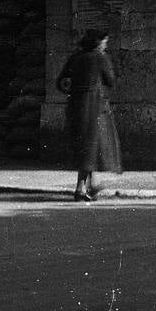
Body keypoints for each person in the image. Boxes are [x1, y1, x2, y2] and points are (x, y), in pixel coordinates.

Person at [56, 29, 123, 201]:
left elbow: (60, 82)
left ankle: (89, 185)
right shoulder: (100, 58)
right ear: (98, 43)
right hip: (95, 108)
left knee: (86, 147)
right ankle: (80, 189)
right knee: (91, 147)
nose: (105, 45)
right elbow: (110, 80)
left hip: (76, 106)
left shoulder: (75, 57)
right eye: (104, 42)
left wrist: (76, 88)